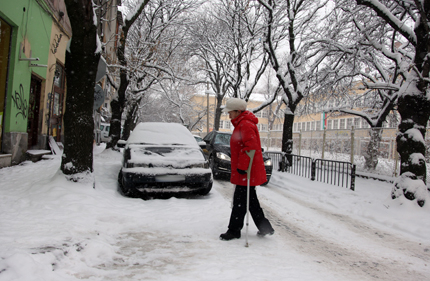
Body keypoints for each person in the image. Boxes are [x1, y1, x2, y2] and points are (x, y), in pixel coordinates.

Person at [220, 98, 274, 241]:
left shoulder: (245, 125)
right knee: (249, 201)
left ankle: (233, 231)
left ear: (238, 111)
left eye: (230, 112)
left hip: (246, 171)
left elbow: (250, 148)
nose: (228, 115)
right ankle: (264, 228)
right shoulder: (242, 124)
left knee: (240, 201)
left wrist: (242, 167)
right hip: (245, 170)